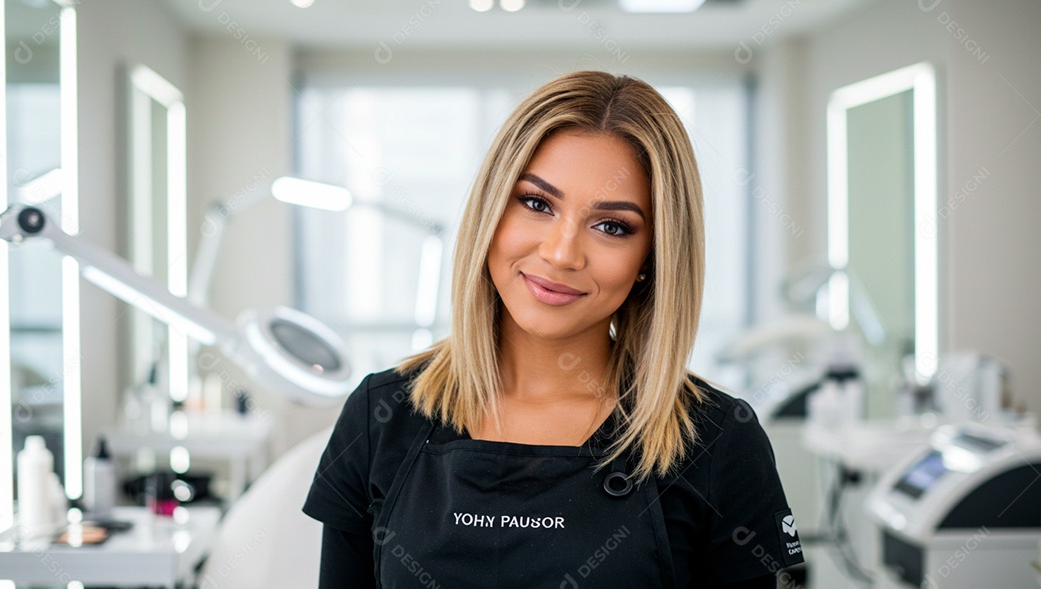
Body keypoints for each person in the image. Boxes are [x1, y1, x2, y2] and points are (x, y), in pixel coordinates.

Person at [303, 70, 803, 588]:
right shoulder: (380, 416)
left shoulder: (718, 441)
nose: (562, 254)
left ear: (651, 258)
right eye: (537, 203)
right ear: (490, 211)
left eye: (612, 226)